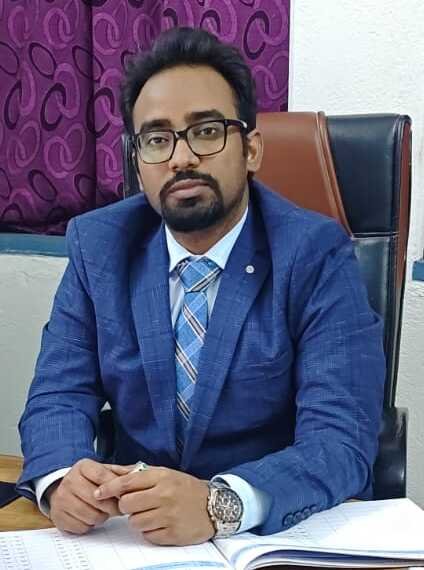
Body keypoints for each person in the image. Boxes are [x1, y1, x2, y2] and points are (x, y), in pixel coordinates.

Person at [17, 27, 385, 547]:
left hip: (265, 537)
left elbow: (340, 438)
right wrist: (60, 480)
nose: (181, 157)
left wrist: (220, 503)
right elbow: (59, 393)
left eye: (206, 131)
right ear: (138, 160)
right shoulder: (99, 246)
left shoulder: (314, 253)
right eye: (157, 139)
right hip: (131, 538)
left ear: (251, 149)